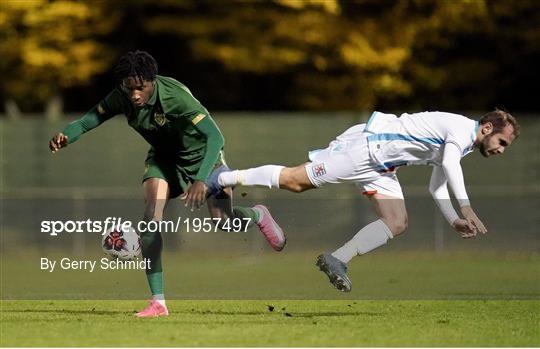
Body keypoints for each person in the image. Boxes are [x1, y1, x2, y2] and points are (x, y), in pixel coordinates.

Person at [49, 50, 286, 317]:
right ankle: (158, 302)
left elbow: (215, 138)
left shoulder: (175, 96)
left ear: (153, 81)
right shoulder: (122, 96)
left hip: (205, 161)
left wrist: (199, 180)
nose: (135, 94)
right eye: (129, 89)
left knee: (224, 221)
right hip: (163, 160)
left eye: (141, 88)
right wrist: (66, 135)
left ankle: (257, 215)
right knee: (151, 217)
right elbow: (88, 120)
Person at [210, 110, 520, 292]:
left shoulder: (463, 144)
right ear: (487, 128)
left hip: (383, 166)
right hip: (367, 148)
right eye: (502, 142)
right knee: (294, 181)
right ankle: (223, 178)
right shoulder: (460, 130)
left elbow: (437, 185)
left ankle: (338, 258)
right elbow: (450, 167)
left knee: (397, 222)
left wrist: (454, 218)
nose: (501, 150)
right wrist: (465, 205)